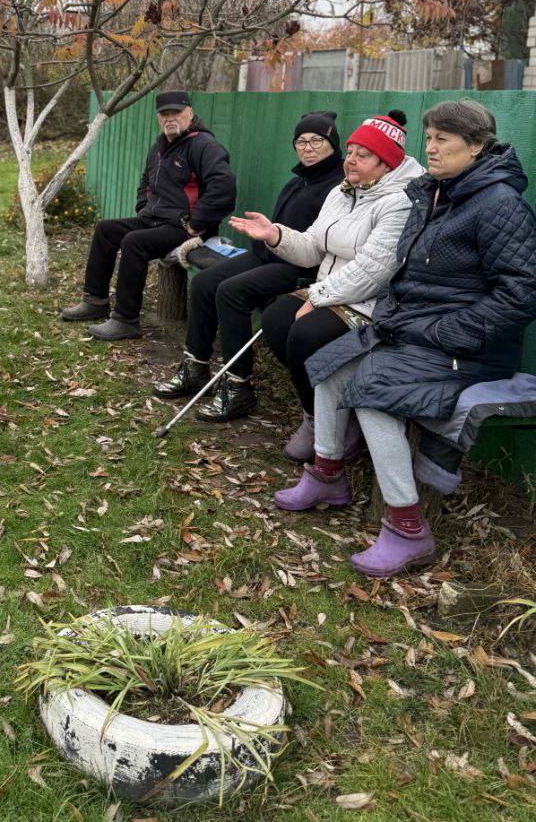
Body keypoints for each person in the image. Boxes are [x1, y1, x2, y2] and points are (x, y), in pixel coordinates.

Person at [273, 99, 536, 578]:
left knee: (375, 398)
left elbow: (519, 295)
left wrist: (443, 332)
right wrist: (396, 317)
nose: (431, 148)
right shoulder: (434, 195)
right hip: (414, 332)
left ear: (476, 147)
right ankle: (328, 476)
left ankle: (408, 527)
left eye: (444, 140)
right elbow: (404, 275)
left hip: (467, 348)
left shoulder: (500, 205)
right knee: (330, 367)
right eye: (430, 137)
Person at [229, 112, 423, 459]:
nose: (350, 160)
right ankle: (319, 416)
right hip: (332, 289)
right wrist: (275, 234)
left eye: (363, 155)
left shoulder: (401, 201)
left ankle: (340, 420)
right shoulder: (343, 191)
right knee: (276, 319)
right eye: (350, 151)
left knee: (304, 334)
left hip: (372, 303)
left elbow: (373, 272)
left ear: (387, 164)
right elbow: (312, 248)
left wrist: (317, 297)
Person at [153, 111, 344, 423]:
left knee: (231, 292)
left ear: (333, 145)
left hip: (300, 267)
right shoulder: (298, 182)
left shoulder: (336, 187)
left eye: (316, 141)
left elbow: (316, 246)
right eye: (301, 141)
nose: (308, 148)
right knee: (204, 283)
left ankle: (238, 386)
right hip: (268, 254)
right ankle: (195, 366)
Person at [60, 91, 236, 341]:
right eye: (165, 114)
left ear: (190, 113)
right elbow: (145, 181)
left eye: (176, 112)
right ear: (158, 118)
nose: (170, 118)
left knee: (135, 242)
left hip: (184, 227)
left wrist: (198, 223)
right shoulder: (160, 146)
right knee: (105, 230)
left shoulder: (203, 145)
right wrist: (143, 206)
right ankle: (95, 301)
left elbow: (224, 187)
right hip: (154, 219)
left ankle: (125, 320)